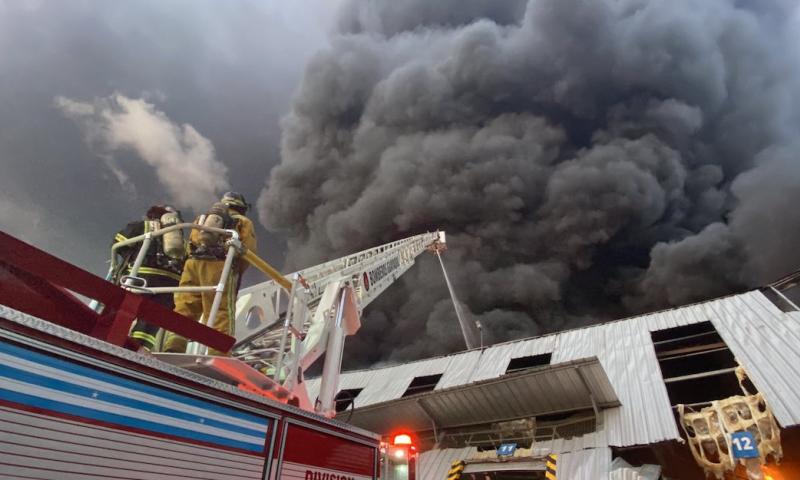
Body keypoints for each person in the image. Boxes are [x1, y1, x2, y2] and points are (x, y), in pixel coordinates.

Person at [163, 191, 257, 355]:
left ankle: (174, 346)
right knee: (220, 311)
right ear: (241, 207)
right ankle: (218, 353)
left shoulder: (201, 219)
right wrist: (234, 271)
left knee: (185, 306)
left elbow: (190, 243)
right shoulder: (243, 221)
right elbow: (248, 251)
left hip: (192, 264)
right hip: (219, 266)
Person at [112, 205, 185, 351]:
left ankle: (113, 339)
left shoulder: (143, 226)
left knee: (121, 314)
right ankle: (139, 348)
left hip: (140, 280)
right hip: (170, 287)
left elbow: (118, 244)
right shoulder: (181, 240)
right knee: (150, 321)